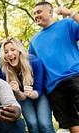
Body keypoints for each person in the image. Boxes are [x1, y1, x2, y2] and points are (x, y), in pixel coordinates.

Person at [29, 1, 79, 133]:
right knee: (70, 122)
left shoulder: (66, 24)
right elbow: (32, 64)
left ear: (50, 12)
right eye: (34, 13)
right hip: (53, 88)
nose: (36, 15)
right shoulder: (34, 40)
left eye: (39, 12)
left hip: (74, 77)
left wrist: (71, 13)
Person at [0, 37, 55, 133]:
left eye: (13, 50)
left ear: (19, 51)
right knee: (32, 125)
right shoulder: (6, 71)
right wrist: (17, 91)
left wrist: (30, 93)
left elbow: (39, 91)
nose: (10, 54)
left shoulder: (34, 62)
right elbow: (20, 98)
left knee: (45, 124)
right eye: (6, 52)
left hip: (39, 94)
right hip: (23, 98)